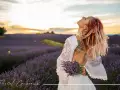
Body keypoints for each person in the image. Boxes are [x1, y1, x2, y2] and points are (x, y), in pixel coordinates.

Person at [56, 16, 109, 90]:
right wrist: (80, 68)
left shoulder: (72, 40)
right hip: (81, 80)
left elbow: (61, 61)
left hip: (71, 81)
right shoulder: (90, 45)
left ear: (86, 27)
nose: (83, 17)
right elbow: (92, 63)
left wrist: (63, 79)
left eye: (86, 19)